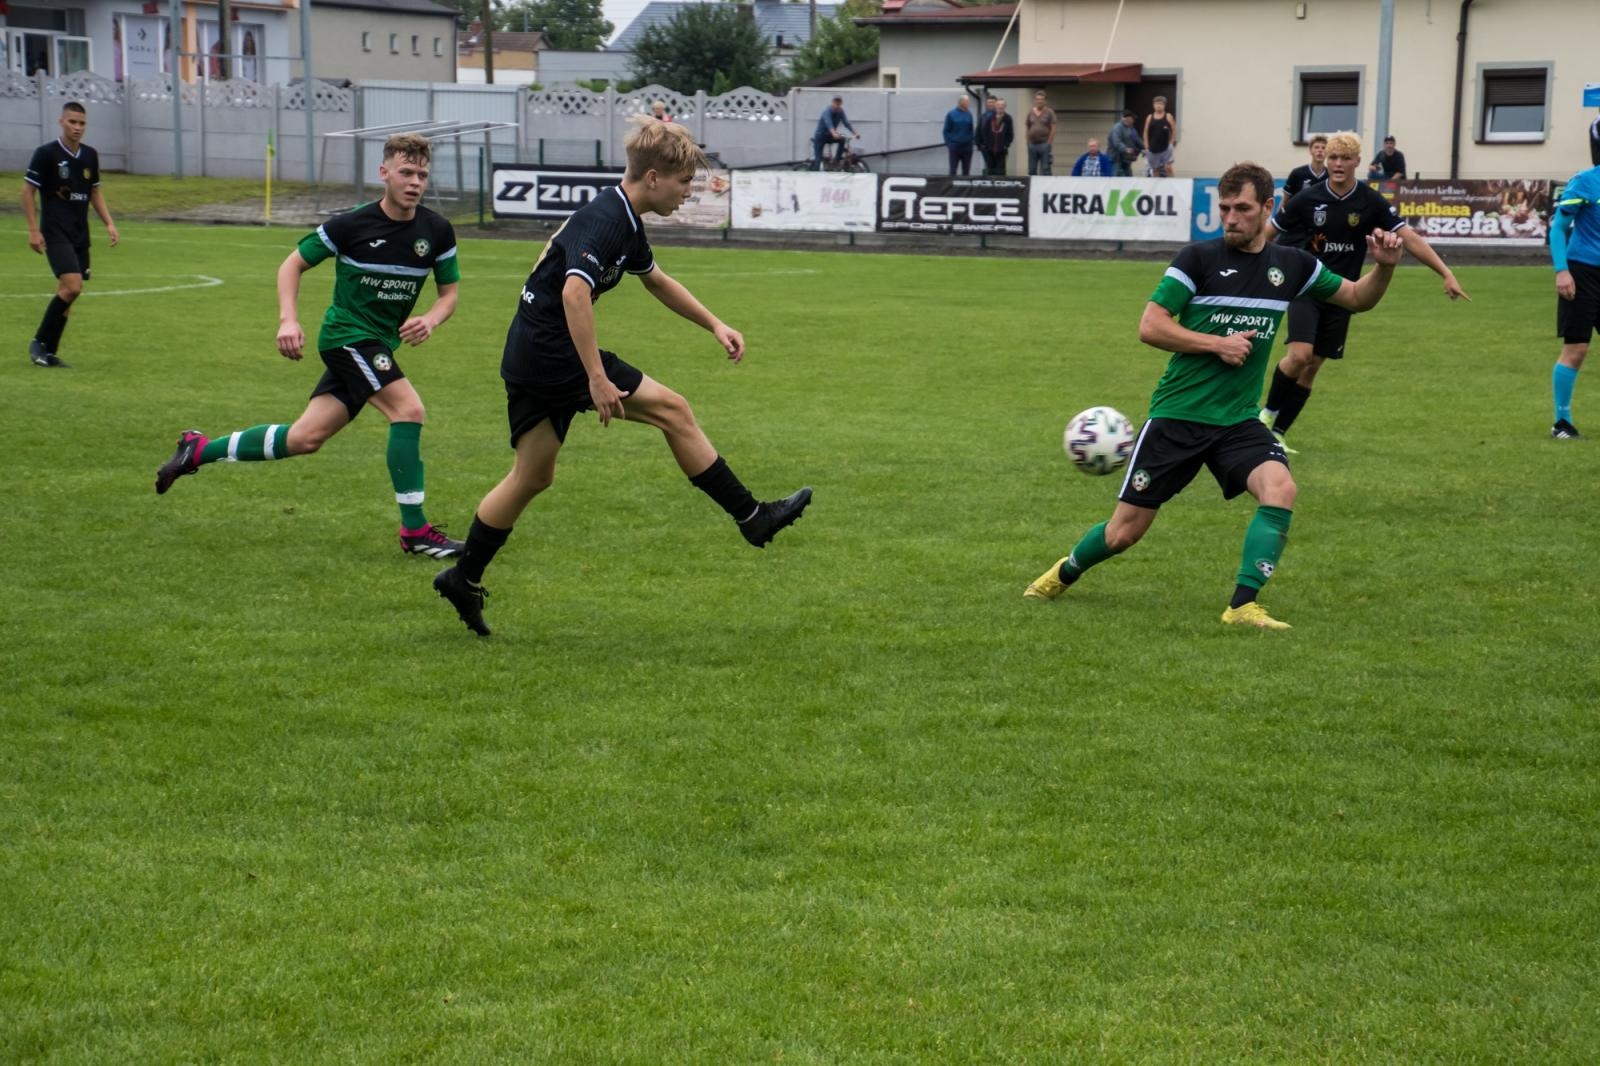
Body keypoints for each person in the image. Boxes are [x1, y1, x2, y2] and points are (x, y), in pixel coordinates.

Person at [433, 118, 812, 637]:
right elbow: (573, 294)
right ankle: (752, 518)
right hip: (554, 351)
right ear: (653, 177)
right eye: (684, 184)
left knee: (532, 476)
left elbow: (656, 281)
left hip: (529, 351)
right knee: (674, 411)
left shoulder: (625, 221)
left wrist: (715, 324)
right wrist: (595, 376)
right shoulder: (608, 218)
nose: (687, 194)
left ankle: (463, 577)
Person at [1024, 162, 1405, 630]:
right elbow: (1151, 325)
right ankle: (1064, 572)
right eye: (1224, 208)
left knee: (1280, 488)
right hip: (1178, 416)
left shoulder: (1292, 264)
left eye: (1242, 209)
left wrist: (1384, 269)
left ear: (1268, 208)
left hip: (1238, 421)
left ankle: (1242, 605)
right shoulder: (1197, 259)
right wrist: (1216, 343)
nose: (1230, 218)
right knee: (1124, 533)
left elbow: (1356, 298)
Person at [155, 133, 465, 559]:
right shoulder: (351, 224)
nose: (415, 182)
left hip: (378, 345)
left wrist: (430, 318)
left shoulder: (436, 230)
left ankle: (198, 450)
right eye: (406, 172)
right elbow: (292, 264)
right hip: (347, 337)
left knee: (306, 437)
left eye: (422, 175)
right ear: (384, 173)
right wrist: (288, 318)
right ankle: (416, 530)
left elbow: (449, 294)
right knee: (408, 410)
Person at [1260, 131, 1467, 445]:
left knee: (1313, 366)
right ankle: (1267, 413)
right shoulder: (1308, 198)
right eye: (1333, 158)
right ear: (1325, 160)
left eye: (1345, 158)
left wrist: (1446, 273)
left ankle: (1277, 435)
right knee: (1300, 355)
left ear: (1358, 161)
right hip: (1308, 286)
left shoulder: (1370, 201)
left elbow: (1409, 238)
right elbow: (1269, 232)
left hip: (1346, 295)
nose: (1338, 164)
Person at [22, 101, 118, 369]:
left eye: (82, 123)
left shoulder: (90, 155)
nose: (77, 128)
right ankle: (38, 342)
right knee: (73, 287)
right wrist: (33, 230)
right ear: (61, 122)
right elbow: (27, 191)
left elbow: (94, 192)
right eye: (72, 122)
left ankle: (48, 353)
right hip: (55, 231)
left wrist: (109, 223)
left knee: (68, 294)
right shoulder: (46, 154)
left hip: (79, 233)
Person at [1549, 162, 1600, 438]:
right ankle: (1562, 422)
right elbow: (1558, 228)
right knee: (1577, 349)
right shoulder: (1585, 182)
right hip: (1583, 273)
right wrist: (1562, 271)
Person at [810, 96, 857, 171]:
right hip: (820, 136)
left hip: (829, 136)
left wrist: (855, 133)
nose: (837, 106)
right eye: (835, 104)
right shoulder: (826, 112)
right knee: (818, 159)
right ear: (832, 103)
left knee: (842, 140)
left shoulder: (840, 111)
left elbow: (846, 123)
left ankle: (836, 160)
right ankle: (815, 176)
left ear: (841, 104)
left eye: (838, 104)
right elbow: (829, 123)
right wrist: (834, 133)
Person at [976, 96, 1014, 176]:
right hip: (990, 151)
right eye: (998, 105)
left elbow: (1010, 134)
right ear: (996, 106)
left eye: (1002, 105)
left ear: (1005, 106)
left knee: (1001, 172)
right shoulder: (990, 118)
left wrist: (1005, 145)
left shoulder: (1008, 118)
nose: (1000, 106)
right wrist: (985, 145)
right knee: (991, 172)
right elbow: (985, 132)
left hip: (1001, 151)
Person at [1282, 134, 1328, 199]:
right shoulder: (1297, 173)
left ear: (1328, 152)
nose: (1320, 150)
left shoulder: (1331, 175)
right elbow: (1285, 200)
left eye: (1323, 148)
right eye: (1316, 147)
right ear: (1310, 151)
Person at [1142, 96, 1178, 176]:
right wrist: (1146, 146)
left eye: (1161, 104)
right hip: (1153, 147)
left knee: (1168, 167)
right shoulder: (1149, 117)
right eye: (1157, 104)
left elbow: (1174, 130)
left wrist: (1171, 142)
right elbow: (1145, 132)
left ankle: (1173, 183)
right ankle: (1157, 186)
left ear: (1164, 105)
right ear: (1153, 105)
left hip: (1166, 147)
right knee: (1155, 168)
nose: (1158, 106)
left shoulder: (1168, 116)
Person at [1025, 90, 1057, 176]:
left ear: (1045, 101)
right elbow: (1028, 127)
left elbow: (1053, 128)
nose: (1039, 101)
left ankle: (1047, 189)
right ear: (1035, 100)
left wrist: (1048, 143)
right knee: (1031, 170)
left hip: (1044, 144)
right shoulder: (1030, 112)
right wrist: (1028, 142)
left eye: (1041, 99)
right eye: (1038, 99)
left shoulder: (1049, 112)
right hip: (1032, 145)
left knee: (1046, 169)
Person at [943, 94, 975, 176]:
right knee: (953, 170)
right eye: (967, 101)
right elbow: (946, 131)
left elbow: (971, 129)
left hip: (967, 147)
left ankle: (966, 188)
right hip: (955, 147)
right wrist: (949, 144)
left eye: (968, 101)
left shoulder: (969, 114)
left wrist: (971, 142)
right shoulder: (951, 114)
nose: (968, 103)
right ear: (961, 102)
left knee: (966, 171)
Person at [1107, 109, 1144, 177]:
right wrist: (1126, 149)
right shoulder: (1117, 127)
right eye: (1131, 120)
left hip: (1126, 159)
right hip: (1116, 159)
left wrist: (1145, 148)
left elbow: (1137, 140)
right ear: (1125, 119)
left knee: (1128, 178)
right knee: (1116, 177)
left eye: (1133, 121)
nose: (1132, 122)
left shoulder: (1132, 129)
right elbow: (1117, 142)